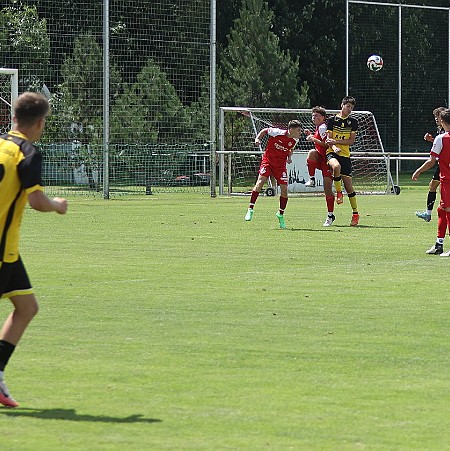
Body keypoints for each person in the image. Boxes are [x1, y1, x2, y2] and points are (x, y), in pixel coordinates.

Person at [0, 92, 68, 407]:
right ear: (40, 123)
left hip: (9, 252)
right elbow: (37, 201)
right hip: (1, 251)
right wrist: (58, 205)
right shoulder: (27, 152)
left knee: (27, 307)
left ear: (13, 117)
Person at [244, 120, 302, 229]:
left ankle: (280, 214)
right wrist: (257, 138)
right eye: (298, 130)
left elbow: (290, 149)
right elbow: (264, 131)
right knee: (260, 182)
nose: (300, 132)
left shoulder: (295, 140)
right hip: (268, 162)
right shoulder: (278, 132)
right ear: (291, 129)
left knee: (284, 189)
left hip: (280, 166)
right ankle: (250, 209)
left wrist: (289, 157)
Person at [412, 108, 450, 256]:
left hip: (447, 181)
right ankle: (438, 244)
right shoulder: (440, 138)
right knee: (441, 210)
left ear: (441, 121)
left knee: (447, 211)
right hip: (445, 180)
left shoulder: (442, 138)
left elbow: (431, 161)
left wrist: (418, 171)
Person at [325, 96, 359, 226]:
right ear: (342, 105)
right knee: (336, 166)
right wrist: (334, 147)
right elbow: (328, 140)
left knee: (349, 187)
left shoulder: (353, 122)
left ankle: (355, 214)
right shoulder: (332, 120)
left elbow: (351, 141)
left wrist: (337, 142)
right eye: (348, 106)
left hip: (345, 155)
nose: (349, 109)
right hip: (332, 152)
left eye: (351, 107)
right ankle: (339, 192)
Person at [304, 106, 336, 226]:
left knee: (327, 189)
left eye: (316, 115)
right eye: (313, 115)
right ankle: (311, 179)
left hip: (327, 160)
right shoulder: (319, 128)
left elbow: (326, 144)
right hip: (321, 159)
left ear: (323, 117)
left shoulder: (323, 127)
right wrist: (312, 135)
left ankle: (330, 215)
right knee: (311, 153)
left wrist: (313, 139)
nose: (314, 118)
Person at [415, 107, 446, 222]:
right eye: (435, 117)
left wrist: (418, 171)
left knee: (440, 188)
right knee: (433, 186)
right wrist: (432, 140)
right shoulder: (441, 131)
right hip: (442, 164)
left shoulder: (445, 131)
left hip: (445, 165)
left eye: (437, 116)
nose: (436, 119)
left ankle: (431, 214)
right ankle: (428, 214)